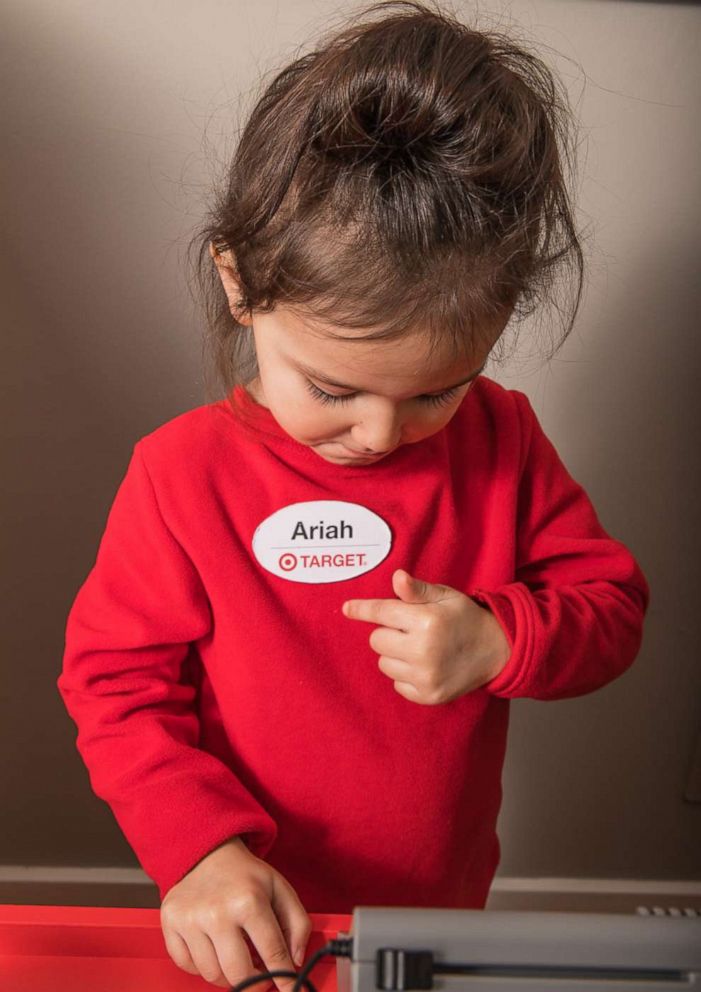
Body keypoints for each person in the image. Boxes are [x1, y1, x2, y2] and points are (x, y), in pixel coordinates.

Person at [57, 2, 649, 990]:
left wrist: (502, 638)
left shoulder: (501, 439)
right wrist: (199, 853)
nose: (381, 433)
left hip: (435, 902)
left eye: (435, 389)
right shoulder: (179, 474)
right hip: (247, 912)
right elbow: (115, 687)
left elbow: (611, 609)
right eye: (332, 388)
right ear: (241, 285)